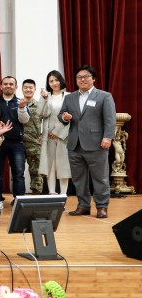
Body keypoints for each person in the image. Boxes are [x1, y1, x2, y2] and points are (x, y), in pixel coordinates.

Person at [60, 65, 116, 218]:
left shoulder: (104, 96)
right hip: (74, 144)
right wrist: (64, 117)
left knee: (100, 178)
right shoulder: (69, 97)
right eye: (79, 77)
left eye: (86, 76)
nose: (82, 79)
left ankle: (102, 206)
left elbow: (110, 120)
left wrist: (108, 137)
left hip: (97, 143)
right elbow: (61, 115)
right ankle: (83, 205)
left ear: (93, 79)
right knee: (79, 179)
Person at [0, 76, 29, 203]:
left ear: (16, 87)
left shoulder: (21, 102)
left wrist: (22, 108)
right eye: (5, 84)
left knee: (18, 173)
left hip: (16, 143)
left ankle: (19, 199)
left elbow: (25, 120)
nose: (8, 86)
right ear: (1, 86)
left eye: (11, 84)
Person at [37, 70, 71, 195]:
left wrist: (58, 132)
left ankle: (63, 194)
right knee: (50, 164)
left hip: (64, 135)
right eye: (51, 81)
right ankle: (52, 193)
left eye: (56, 80)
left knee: (63, 165)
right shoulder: (46, 96)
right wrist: (45, 98)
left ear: (61, 80)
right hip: (48, 135)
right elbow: (41, 113)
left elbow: (71, 118)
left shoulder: (69, 95)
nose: (54, 83)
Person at [21, 79, 43, 194]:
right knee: (18, 170)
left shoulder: (40, 105)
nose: (28, 89)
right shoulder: (18, 104)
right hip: (19, 142)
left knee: (36, 170)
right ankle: (18, 194)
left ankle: (36, 193)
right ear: (22, 89)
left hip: (35, 143)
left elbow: (48, 121)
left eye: (30, 87)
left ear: (34, 89)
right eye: (26, 87)